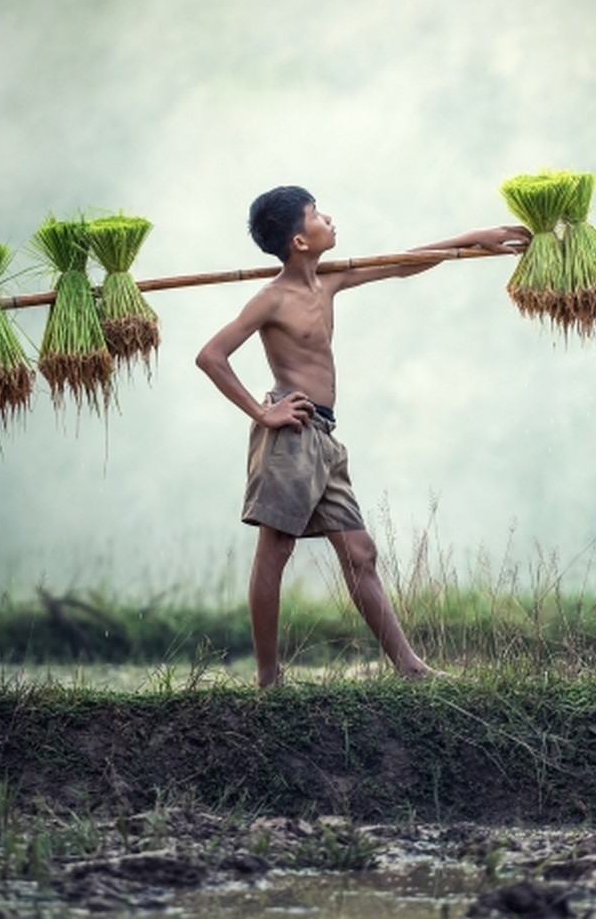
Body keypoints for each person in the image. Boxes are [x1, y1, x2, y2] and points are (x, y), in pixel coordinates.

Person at [195, 184, 530, 687]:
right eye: (315, 214)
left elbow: (402, 262)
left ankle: (410, 668)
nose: (327, 218)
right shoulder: (271, 300)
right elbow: (211, 356)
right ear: (299, 241)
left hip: (324, 436)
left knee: (359, 553)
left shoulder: (326, 281)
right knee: (277, 546)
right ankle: (268, 677)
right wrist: (265, 415)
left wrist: (474, 238)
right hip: (291, 432)